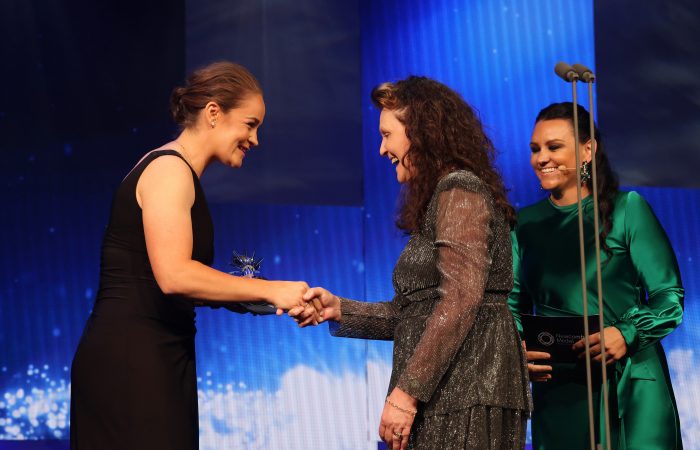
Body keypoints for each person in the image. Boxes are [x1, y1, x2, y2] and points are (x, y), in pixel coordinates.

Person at [70, 61, 309, 450]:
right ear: (214, 113)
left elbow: (186, 285)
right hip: (131, 362)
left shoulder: (179, 173)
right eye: (250, 124)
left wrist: (266, 299)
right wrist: (273, 291)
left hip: (157, 356)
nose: (255, 139)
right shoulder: (169, 171)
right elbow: (175, 276)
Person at [290, 76, 531, 450]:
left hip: (468, 391)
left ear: (421, 132)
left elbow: (460, 301)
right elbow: (415, 315)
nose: (382, 148)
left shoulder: (460, 190)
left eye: (388, 134)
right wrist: (339, 310)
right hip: (444, 393)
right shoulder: (442, 197)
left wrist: (405, 394)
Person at [508, 102, 684, 449]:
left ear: (588, 149)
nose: (541, 158)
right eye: (535, 149)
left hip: (629, 383)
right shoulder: (522, 224)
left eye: (553, 146)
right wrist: (518, 353)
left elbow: (670, 298)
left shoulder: (627, 209)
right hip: (559, 391)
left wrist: (626, 332)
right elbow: (511, 305)